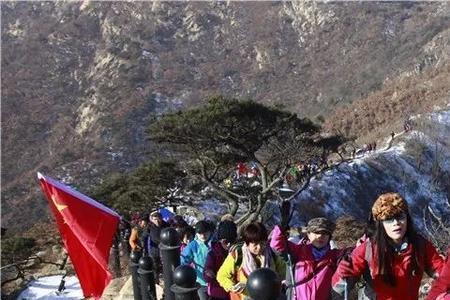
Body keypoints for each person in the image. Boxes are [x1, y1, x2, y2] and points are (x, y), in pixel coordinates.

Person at [332, 192, 444, 300]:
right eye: (389, 219)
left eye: (400, 217)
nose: (396, 223)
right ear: (381, 224)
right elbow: (340, 287)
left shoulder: (420, 245)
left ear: (407, 219)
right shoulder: (368, 249)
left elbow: (442, 272)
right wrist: (343, 275)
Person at [271, 217, 348, 300]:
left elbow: (355, 255)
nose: (320, 236)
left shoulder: (336, 257)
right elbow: (277, 245)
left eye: (325, 233)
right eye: (316, 232)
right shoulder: (297, 251)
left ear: (329, 237)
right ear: (308, 234)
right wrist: (280, 228)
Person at [217, 222, 286, 300]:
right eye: (255, 244)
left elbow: (284, 274)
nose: (259, 247)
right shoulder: (237, 255)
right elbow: (222, 276)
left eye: (262, 243)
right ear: (247, 243)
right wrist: (232, 286)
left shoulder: (273, 255)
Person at [204, 220, 238, 300]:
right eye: (226, 242)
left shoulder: (238, 253)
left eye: (231, 241)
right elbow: (207, 272)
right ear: (220, 240)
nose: (229, 244)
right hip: (217, 293)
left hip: (234, 293)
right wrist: (208, 273)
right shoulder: (213, 254)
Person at [181, 220, 214, 300]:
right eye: (200, 233)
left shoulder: (215, 243)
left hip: (216, 280)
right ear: (196, 233)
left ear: (210, 231)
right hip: (201, 281)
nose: (203, 236)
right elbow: (183, 260)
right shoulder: (193, 245)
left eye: (205, 232)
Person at [147, 211, 168, 282]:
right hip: (154, 250)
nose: (157, 221)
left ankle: (167, 282)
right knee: (155, 267)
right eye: (155, 219)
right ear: (152, 220)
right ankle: (156, 282)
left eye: (158, 219)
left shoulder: (166, 226)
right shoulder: (150, 227)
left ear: (161, 218)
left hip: (165, 250)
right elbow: (144, 237)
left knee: (165, 267)